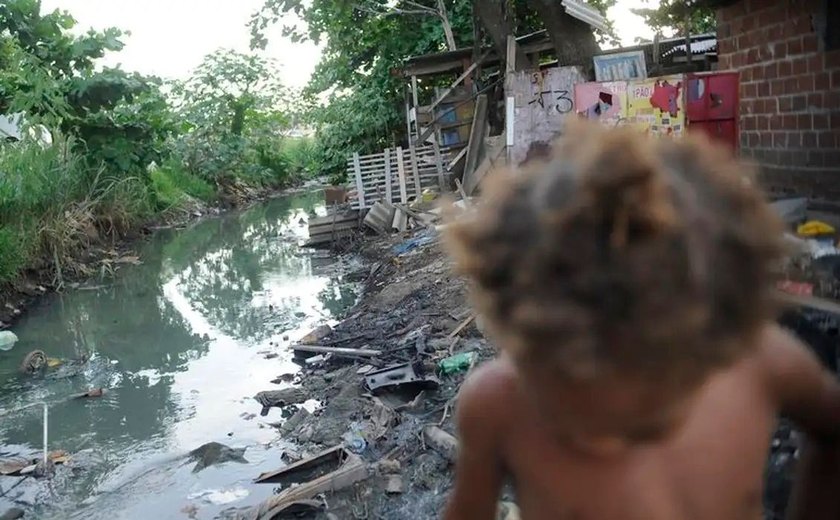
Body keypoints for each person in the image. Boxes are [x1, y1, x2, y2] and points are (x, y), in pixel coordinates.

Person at [443, 121, 840, 520]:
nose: (608, 445)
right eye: (579, 413)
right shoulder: (496, 406)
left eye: (652, 421)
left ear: (712, 346)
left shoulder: (761, 362)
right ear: (517, 342)